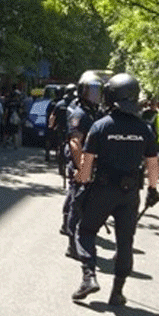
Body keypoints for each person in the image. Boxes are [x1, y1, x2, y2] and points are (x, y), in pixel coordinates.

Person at [71, 73, 159, 306]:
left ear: (110, 96)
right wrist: (153, 189)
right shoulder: (145, 128)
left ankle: (89, 277)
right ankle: (117, 292)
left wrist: (80, 179)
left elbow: (87, 163)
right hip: (130, 194)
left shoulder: (101, 126)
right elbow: (152, 162)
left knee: (86, 231)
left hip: (102, 190)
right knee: (125, 243)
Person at [61, 74, 102, 259]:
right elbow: (75, 143)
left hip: (91, 165)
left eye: (97, 91)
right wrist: (82, 168)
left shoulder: (94, 112)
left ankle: (81, 242)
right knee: (77, 205)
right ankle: (72, 244)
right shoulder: (79, 113)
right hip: (80, 166)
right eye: (91, 91)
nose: (95, 95)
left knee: (85, 206)